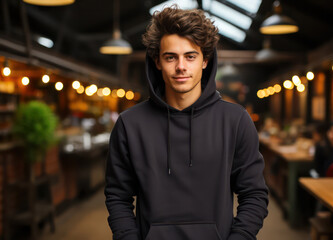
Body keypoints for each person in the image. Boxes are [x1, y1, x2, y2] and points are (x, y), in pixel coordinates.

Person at [105, 6, 268, 240]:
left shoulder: (236, 121)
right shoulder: (130, 124)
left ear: (205, 60)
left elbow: (254, 194)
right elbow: (117, 196)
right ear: (157, 61)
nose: (181, 66)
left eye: (190, 56)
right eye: (171, 57)